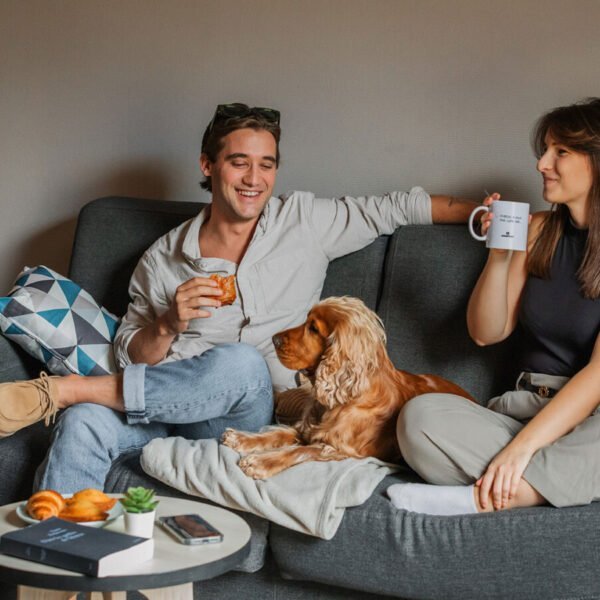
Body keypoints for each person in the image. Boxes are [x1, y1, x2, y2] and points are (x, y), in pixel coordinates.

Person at [0, 103, 477, 493]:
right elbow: (130, 353)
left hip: (243, 411)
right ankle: (57, 561)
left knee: (243, 362)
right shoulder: (164, 258)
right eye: (239, 162)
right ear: (208, 166)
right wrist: (167, 323)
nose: (254, 178)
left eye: (266, 164)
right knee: (83, 422)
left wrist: (481, 215)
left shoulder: (303, 222)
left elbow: (394, 208)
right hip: (161, 409)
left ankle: (60, 390)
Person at [387, 97, 600, 516]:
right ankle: (554, 482)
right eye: (544, 151)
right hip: (521, 409)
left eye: (560, 152)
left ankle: (491, 496)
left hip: (588, 421)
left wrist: (521, 450)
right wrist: (499, 255)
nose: (541, 164)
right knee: (417, 419)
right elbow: (487, 331)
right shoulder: (537, 230)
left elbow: (597, 377)